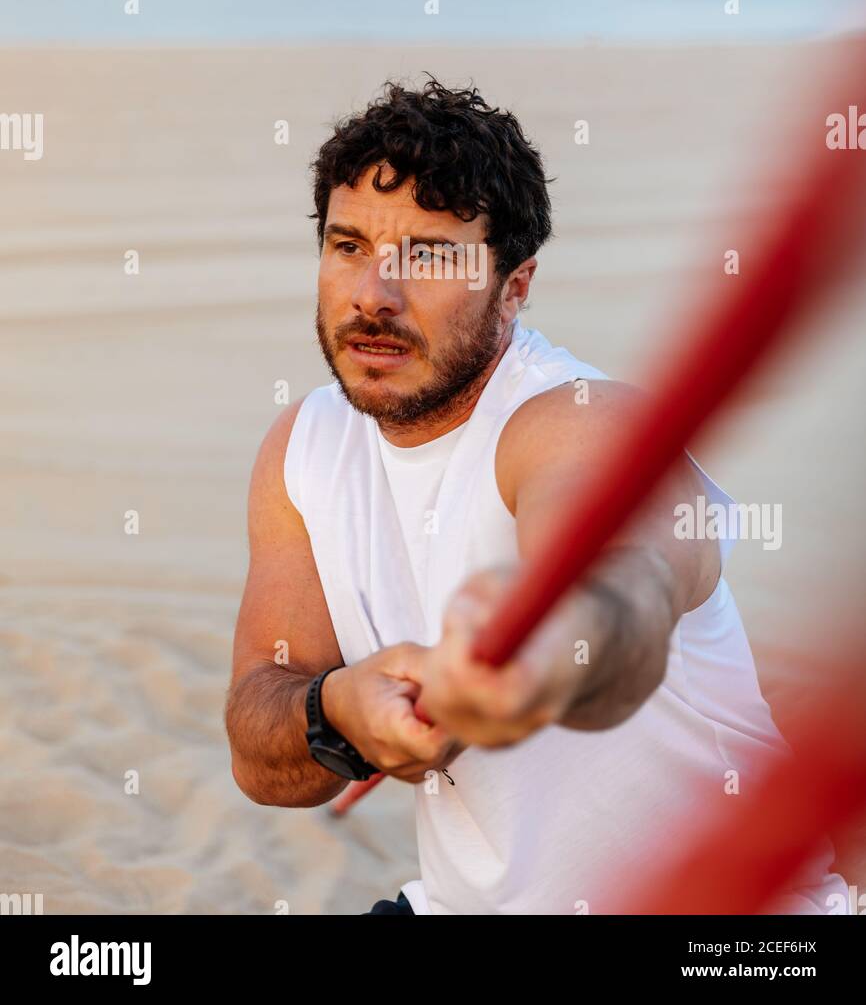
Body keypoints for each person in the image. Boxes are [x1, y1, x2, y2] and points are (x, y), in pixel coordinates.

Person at [225, 77, 850, 916]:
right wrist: (336, 710)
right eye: (348, 245)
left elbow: (629, 591)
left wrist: (541, 662)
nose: (374, 293)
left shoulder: (578, 422)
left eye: (429, 255)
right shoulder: (303, 449)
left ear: (515, 287)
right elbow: (258, 749)